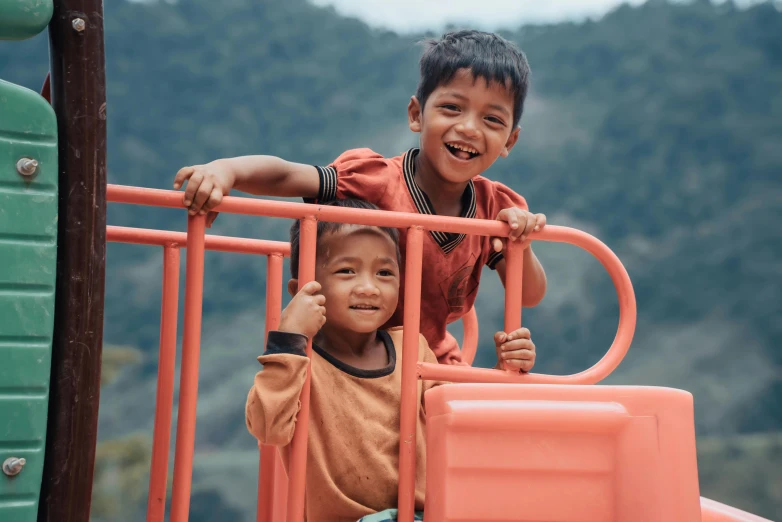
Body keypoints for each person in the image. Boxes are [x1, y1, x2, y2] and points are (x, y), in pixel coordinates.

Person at [176, 30, 547, 366]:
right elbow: (290, 174)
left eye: (492, 120)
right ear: (417, 114)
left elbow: (528, 295)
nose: (468, 127)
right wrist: (227, 171)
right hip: (353, 362)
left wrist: (522, 244)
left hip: (430, 363)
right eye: (452, 108)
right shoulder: (374, 180)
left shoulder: (494, 209)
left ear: (509, 142)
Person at [245, 199, 537, 522]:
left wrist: (503, 370)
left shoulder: (412, 348)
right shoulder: (300, 364)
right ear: (302, 290)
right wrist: (289, 337)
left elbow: (463, 421)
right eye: (347, 271)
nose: (369, 288)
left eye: (384, 272)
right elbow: (267, 425)